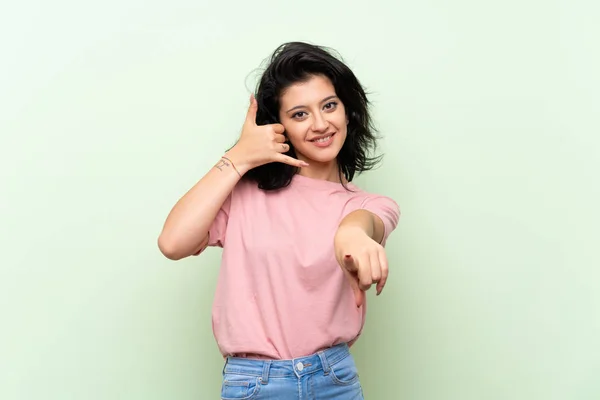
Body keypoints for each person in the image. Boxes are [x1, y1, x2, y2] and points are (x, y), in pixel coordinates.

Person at [158, 41, 400, 399]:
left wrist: (353, 235)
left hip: (334, 380)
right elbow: (173, 243)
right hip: (254, 382)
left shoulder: (369, 204)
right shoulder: (244, 195)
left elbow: (364, 223)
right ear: (279, 126)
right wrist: (238, 157)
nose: (320, 124)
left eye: (329, 105)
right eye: (300, 114)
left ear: (348, 111)